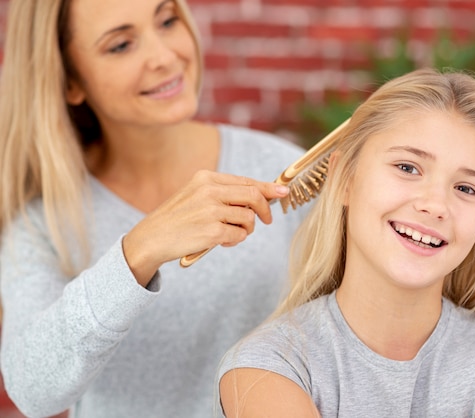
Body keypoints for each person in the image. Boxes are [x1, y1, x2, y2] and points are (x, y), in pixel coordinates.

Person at [0, 0, 309, 417]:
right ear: (71, 80)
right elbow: (31, 390)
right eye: (121, 45)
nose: (165, 57)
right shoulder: (43, 222)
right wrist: (140, 250)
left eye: (167, 21)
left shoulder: (282, 170)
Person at [218, 68, 475, 417]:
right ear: (344, 178)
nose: (435, 205)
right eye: (408, 168)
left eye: (466, 188)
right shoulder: (265, 366)